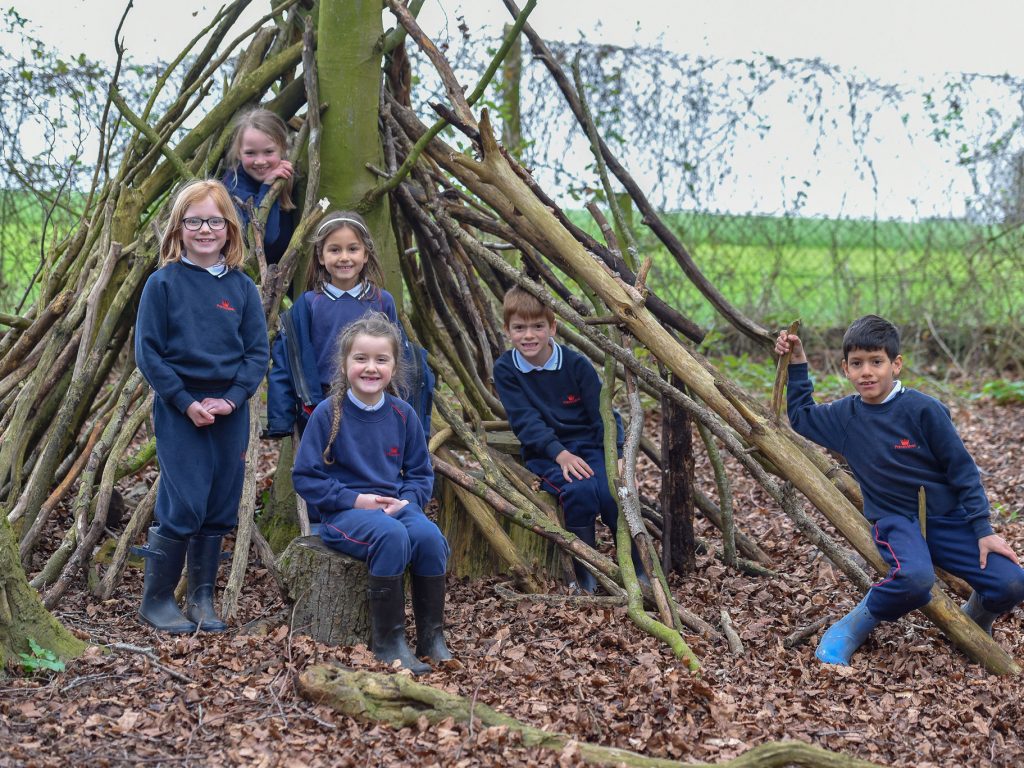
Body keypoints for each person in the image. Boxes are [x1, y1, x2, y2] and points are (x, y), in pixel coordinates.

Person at [776, 314, 1024, 665]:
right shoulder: (846, 418)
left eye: (876, 362)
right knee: (915, 578)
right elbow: (801, 416)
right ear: (845, 369)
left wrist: (983, 530)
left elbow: (962, 470)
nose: (867, 372)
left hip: (947, 519)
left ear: (896, 364)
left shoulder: (925, 411)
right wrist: (797, 362)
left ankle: (977, 616)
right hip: (897, 521)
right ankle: (854, 624)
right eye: (857, 364)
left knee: (1013, 582)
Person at [134, 179, 270, 634]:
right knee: (185, 500)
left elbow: (255, 354)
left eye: (214, 220)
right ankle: (155, 600)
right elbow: (148, 353)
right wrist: (185, 401)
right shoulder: (163, 284)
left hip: (229, 410)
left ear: (229, 229)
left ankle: (201, 598)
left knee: (219, 503)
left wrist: (232, 399)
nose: (205, 229)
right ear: (179, 228)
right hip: (180, 409)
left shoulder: (243, 289)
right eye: (194, 221)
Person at [292, 313, 449, 674]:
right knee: (391, 536)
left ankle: (431, 637)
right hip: (345, 514)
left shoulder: (403, 414)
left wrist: (407, 501)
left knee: (429, 537)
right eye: (360, 359)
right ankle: (388, 641)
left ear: (394, 367)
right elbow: (306, 476)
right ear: (344, 364)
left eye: (381, 360)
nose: (370, 368)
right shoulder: (326, 414)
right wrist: (355, 500)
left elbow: (421, 473)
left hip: (394, 508)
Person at [492, 287, 647, 594]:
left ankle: (637, 571)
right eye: (519, 328)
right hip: (547, 452)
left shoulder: (575, 365)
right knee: (579, 491)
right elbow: (526, 421)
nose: (529, 335)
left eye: (538, 326)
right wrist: (559, 454)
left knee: (613, 491)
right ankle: (586, 573)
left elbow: (603, 413)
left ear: (552, 327)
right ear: (507, 330)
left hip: (591, 446)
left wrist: (616, 454)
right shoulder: (507, 369)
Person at [264, 211, 434, 445]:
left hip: (373, 405)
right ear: (321, 256)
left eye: (352, 249)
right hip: (320, 408)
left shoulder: (382, 301)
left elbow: (398, 358)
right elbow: (287, 361)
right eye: (335, 250)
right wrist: (280, 419)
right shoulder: (309, 304)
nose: (344, 257)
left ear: (365, 254)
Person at [222, 108, 296, 266]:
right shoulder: (233, 187)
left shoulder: (292, 177)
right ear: (238, 153)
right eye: (250, 153)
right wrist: (268, 187)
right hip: (252, 279)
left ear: (282, 150)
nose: (260, 161)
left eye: (268, 152)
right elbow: (265, 237)